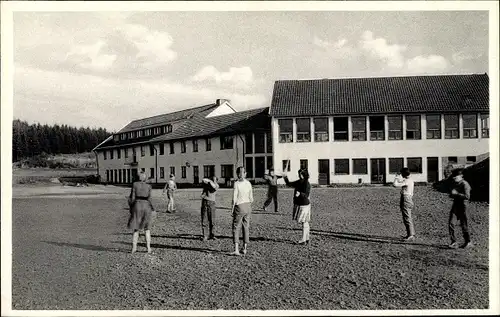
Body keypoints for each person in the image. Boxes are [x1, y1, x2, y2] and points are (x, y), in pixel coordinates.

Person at [127, 171, 156, 253]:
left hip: (137, 205)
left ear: (138, 177)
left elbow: (132, 198)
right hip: (146, 205)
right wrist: (153, 208)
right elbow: (150, 199)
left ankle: (134, 248)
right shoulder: (149, 186)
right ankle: (148, 248)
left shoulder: (135, 184)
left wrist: (131, 207)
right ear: (145, 178)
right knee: (147, 228)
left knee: (136, 228)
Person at [284, 168, 312, 245]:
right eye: (299, 173)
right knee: (305, 222)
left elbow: (306, 194)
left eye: (301, 174)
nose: (299, 175)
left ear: (304, 174)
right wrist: (285, 177)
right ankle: (306, 238)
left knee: (304, 222)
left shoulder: (306, 183)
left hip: (304, 204)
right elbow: (289, 184)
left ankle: (303, 239)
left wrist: (300, 194)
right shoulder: (299, 182)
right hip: (301, 204)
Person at [230, 166, 254, 256]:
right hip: (248, 206)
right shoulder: (248, 183)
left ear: (237, 174)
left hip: (239, 206)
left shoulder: (236, 183)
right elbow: (251, 198)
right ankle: (244, 248)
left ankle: (236, 249)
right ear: (245, 173)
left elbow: (234, 198)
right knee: (246, 227)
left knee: (236, 227)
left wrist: (232, 209)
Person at [448, 169, 472, 249]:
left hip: (463, 206)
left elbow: (467, 197)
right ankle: (454, 242)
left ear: (461, 176)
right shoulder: (455, 184)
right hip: (456, 205)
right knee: (451, 223)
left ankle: (468, 242)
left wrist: (456, 194)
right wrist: (452, 195)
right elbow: (453, 194)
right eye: (453, 177)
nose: (454, 178)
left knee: (464, 224)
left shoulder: (465, 184)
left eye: (455, 176)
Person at [393, 167, 416, 241]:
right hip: (408, 199)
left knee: (407, 217)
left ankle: (411, 235)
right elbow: (401, 182)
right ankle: (409, 234)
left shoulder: (407, 181)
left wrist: (396, 177)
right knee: (407, 217)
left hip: (406, 199)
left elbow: (395, 184)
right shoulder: (409, 180)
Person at [200, 173, 219, 241]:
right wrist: (209, 181)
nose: (213, 181)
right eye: (212, 179)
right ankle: (205, 235)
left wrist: (210, 182)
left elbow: (213, 187)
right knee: (204, 220)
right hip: (205, 202)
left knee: (212, 220)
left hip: (211, 203)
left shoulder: (216, 185)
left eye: (214, 180)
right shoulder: (207, 184)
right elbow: (203, 180)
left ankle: (212, 234)